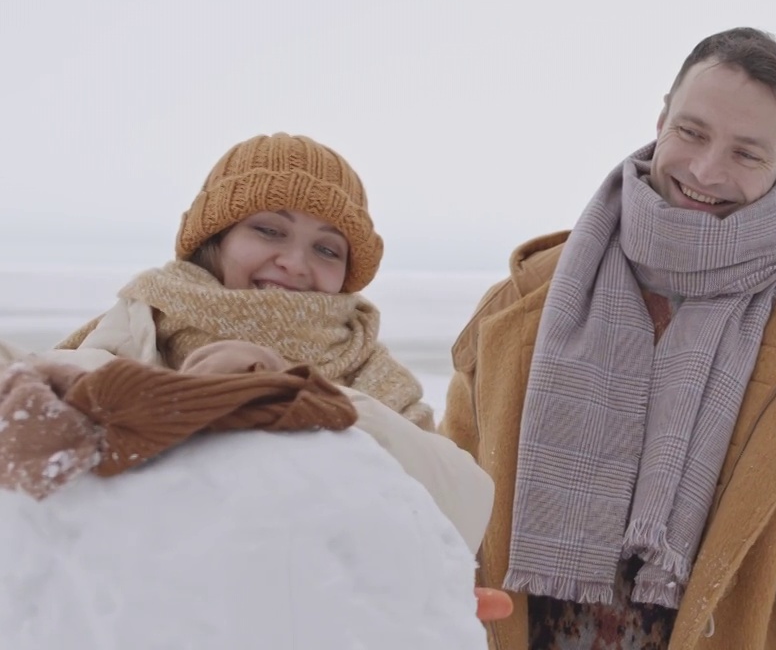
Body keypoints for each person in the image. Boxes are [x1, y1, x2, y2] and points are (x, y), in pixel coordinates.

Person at [441, 27, 776, 649]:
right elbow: (448, 521)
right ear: (661, 119)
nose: (706, 170)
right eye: (692, 132)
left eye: (746, 153)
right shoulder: (522, 306)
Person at [39, 131, 495, 552]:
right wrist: (182, 399)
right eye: (269, 230)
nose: (295, 263)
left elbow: (462, 511)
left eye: (327, 249)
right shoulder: (130, 331)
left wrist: (298, 394)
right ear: (215, 238)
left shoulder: (373, 375)